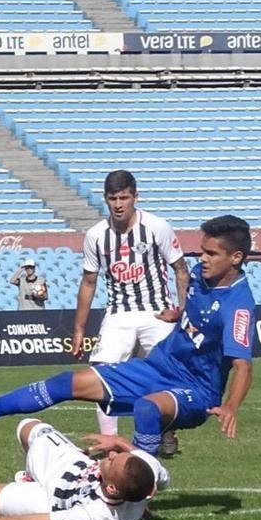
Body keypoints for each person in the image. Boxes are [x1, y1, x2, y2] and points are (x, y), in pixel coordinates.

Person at [0, 215, 255, 458]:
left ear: (236, 257)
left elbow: (243, 365)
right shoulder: (201, 275)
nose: (202, 259)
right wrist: (179, 312)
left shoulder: (238, 307)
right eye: (202, 251)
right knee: (66, 382)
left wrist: (230, 406)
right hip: (157, 367)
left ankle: (136, 495)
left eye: (211, 253)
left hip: (195, 390)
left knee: (147, 409)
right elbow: (195, 304)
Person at [73, 170, 190, 455]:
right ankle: (109, 446)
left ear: (135, 197)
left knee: (169, 373)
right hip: (118, 314)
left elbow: (180, 269)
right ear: (105, 199)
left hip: (156, 311)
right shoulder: (96, 236)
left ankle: (166, 428)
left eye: (124, 198)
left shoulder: (156, 227)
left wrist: (182, 311)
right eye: (113, 198)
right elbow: (88, 282)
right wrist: (79, 329)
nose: (118, 204)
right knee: (102, 374)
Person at [0, 418, 168, 520]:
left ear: (112, 489)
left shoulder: (97, 515)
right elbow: (153, 480)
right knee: (29, 426)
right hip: (70, 464)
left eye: (113, 460)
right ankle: (31, 475)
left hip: (49, 501)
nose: (112, 454)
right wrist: (120, 442)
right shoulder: (147, 468)